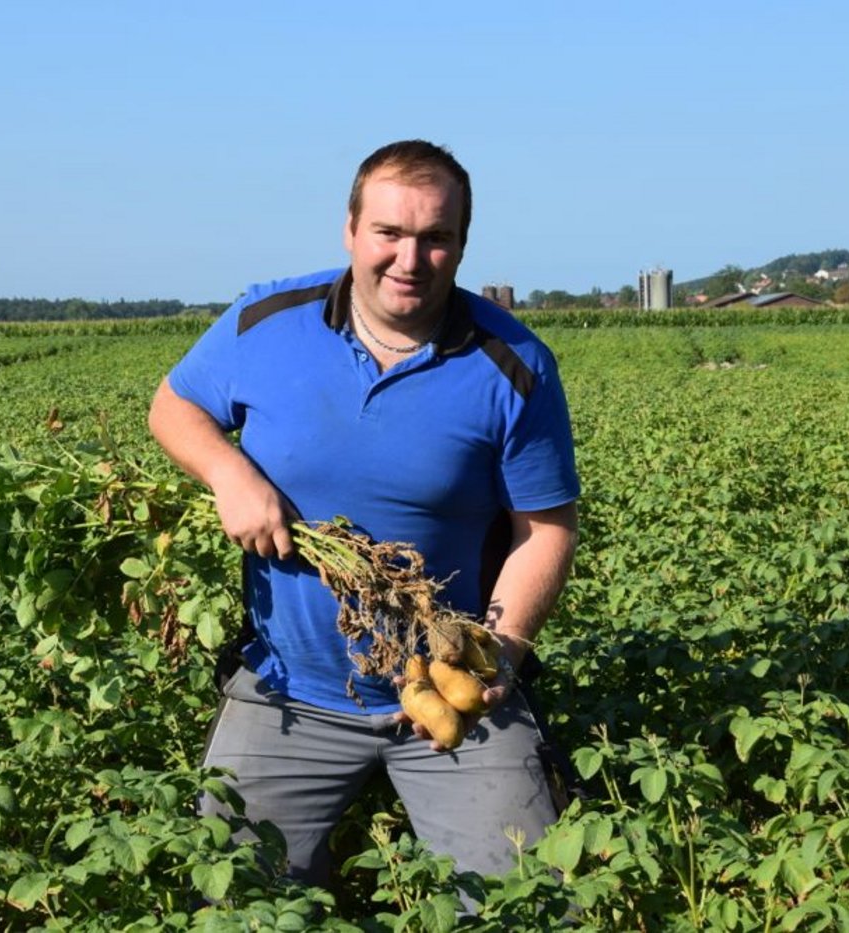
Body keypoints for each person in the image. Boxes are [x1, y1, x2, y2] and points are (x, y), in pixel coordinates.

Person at [147, 139, 580, 885]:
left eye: (435, 238)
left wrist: (497, 654)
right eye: (389, 233)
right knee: (234, 899)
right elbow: (174, 404)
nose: (409, 259)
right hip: (289, 688)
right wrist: (229, 471)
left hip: (452, 691)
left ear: (461, 244)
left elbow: (544, 530)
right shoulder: (266, 321)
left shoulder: (513, 363)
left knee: (532, 901)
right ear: (351, 231)